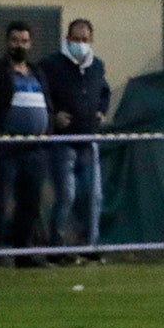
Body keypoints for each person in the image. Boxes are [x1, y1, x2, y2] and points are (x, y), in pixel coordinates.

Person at [0, 22, 53, 266]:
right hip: (5, 151)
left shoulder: (37, 73)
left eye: (24, 41)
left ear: (30, 44)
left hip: (34, 150)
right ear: (8, 42)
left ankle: (24, 254)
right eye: (15, 40)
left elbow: (48, 104)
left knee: (29, 204)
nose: (20, 45)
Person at [38, 18, 111, 255]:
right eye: (75, 39)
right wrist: (53, 116)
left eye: (84, 40)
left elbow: (103, 92)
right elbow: (42, 92)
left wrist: (101, 110)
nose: (80, 44)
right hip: (63, 142)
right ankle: (56, 247)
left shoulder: (97, 66)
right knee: (66, 196)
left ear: (91, 41)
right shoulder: (51, 64)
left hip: (88, 141)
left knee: (93, 197)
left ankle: (90, 245)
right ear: (67, 40)